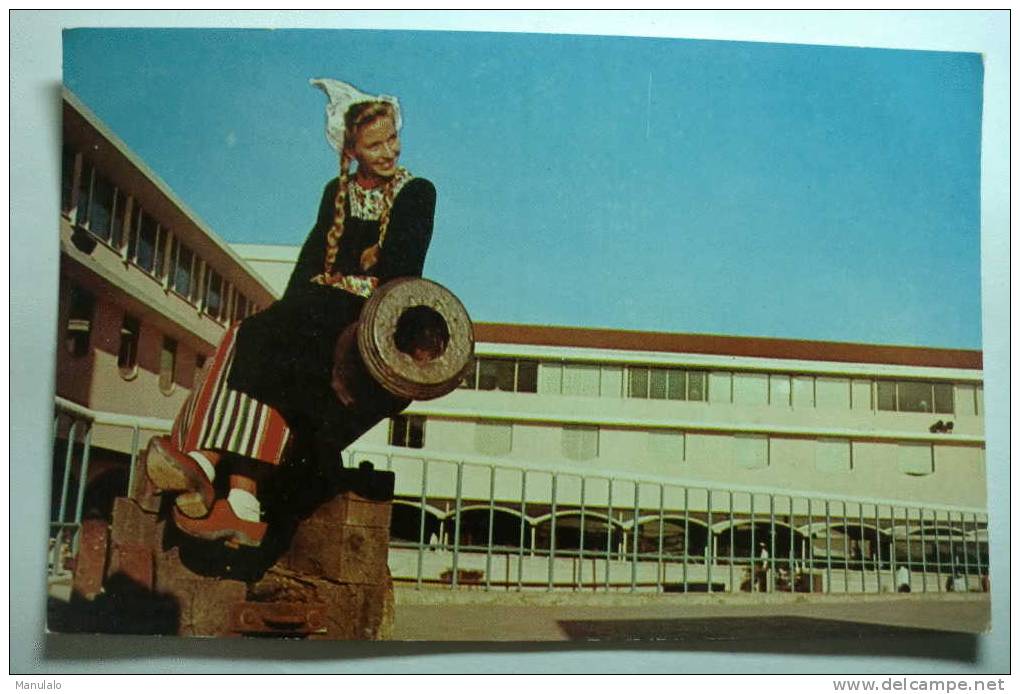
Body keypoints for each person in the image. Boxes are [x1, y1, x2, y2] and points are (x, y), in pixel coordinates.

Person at [146, 78, 437, 548]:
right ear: (351, 150)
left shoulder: (417, 191)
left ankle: (209, 463)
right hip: (314, 307)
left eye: (392, 139)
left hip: (364, 316)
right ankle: (217, 479)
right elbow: (308, 266)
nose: (389, 152)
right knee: (249, 333)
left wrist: (355, 268)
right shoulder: (335, 192)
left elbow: (402, 268)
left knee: (273, 340)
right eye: (374, 144)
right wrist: (335, 276)